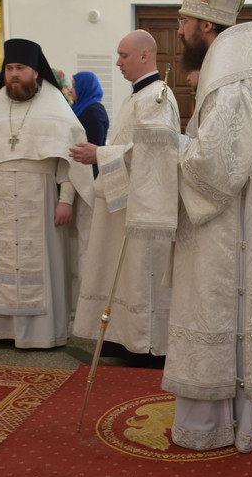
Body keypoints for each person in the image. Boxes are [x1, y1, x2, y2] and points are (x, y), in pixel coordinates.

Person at [163, 0, 252, 452]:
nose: (179, 31)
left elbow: (215, 169)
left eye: (183, 22)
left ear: (205, 25)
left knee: (218, 312)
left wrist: (166, 146)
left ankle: (215, 424)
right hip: (230, 227)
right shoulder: (239, 78)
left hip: (223, 235)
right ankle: (232, 421)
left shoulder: (230, 85)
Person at [0, 38, 93, 349]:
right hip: (1, 196)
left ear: (35, 72)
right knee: (5, 259)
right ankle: (4, 329)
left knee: (41, 261)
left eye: (20, 68)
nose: (14, 74)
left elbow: (70, 159)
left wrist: (65, 201)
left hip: (41, 195)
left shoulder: (55, 106)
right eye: (9, 69)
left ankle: (44, 333)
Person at [70, 30, 179, 363]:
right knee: (119, 272)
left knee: (138, 274)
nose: (117, 62)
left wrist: (100, 154)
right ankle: (121, 335)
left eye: (124, 55)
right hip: (124, 202)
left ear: (145, 55)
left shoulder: (157, 97)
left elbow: (151, 154)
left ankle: (144, 342)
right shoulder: (137, 96)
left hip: (144, 208)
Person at [71, 71, 109, 177]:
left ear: (83, 88)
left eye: (74, 86)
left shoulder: (94, 112)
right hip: (81, 167)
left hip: (89, 172)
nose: (70, 90)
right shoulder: (81, 107)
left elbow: (94, 145)